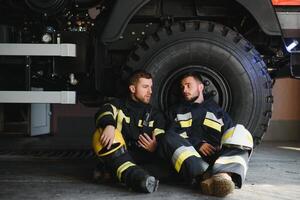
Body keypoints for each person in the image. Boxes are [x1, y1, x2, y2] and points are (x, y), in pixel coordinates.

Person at [159, 72, 253, 197]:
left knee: (239, 133)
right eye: (182, 87)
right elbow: (172, 135)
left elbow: (230, 135)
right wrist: (198, 144)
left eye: (188, 85)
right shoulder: (175, 111)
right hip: (191, 159)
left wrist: (222, 146)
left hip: (216, 157)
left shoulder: (218, 112)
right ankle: (205, 176)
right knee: (167, 137)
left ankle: (224, 176)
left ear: (201, 87)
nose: (184, 90)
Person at [92, 70, 165, 193]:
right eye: (145, 87)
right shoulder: (118, 105)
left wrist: (156, 147)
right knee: (99, 134)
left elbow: (162, 139)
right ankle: (139, 179)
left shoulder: (156, 115)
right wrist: (109, 125)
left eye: (151, 87)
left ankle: (117, 174)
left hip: (144, 158)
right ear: (132, 89)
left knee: (167, 169)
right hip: (119, 155)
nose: (150, 92)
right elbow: (104, 111)